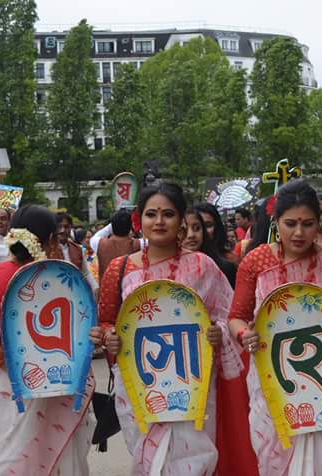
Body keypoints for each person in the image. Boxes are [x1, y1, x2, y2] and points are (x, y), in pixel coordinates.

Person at [89, 183, 246, 475]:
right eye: (151, 214)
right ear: (140, 220)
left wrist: (218, 332)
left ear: (181, 220)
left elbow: (229, 315)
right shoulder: (120, 269)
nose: (159, 221)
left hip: (192, 381)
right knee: (148, 460)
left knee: (193, 461)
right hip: (140, 381)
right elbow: (108, 319)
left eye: (168, 214)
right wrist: (109, 336)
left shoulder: (203, 266)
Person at [228, 180, 322, 475]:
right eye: (291, 223)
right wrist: (244, 334)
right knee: (276, 456)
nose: (299, 233)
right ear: (276, 223)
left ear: (320, 222)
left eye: (308, 223)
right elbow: (236, 316)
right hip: (274, 378)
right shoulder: (256, 262)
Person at [0, 205, 94, 475]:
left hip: (9, 387)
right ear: (50, 240)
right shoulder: (59, 279)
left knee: (13, 458)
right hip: (54, 386)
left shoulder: (2, 274)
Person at [184, 207, 238, 288]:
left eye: (197, 228)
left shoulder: (227, 266)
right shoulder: (168, 268)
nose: (191, 235)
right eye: (184, 229)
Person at [50, 213, 98, 291]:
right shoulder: (48, 249)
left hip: (75, 292)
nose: (63, 230)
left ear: (71, 228)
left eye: (66, 227)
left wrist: (95, 288)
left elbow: (85, 273)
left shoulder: (77, 248)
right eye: (59, 227)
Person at [97, 210, 140, 281]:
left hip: (107, 288)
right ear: (130, 226)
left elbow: (97, 235)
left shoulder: (99, 243)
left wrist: (115, 223)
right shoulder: (139, 244)